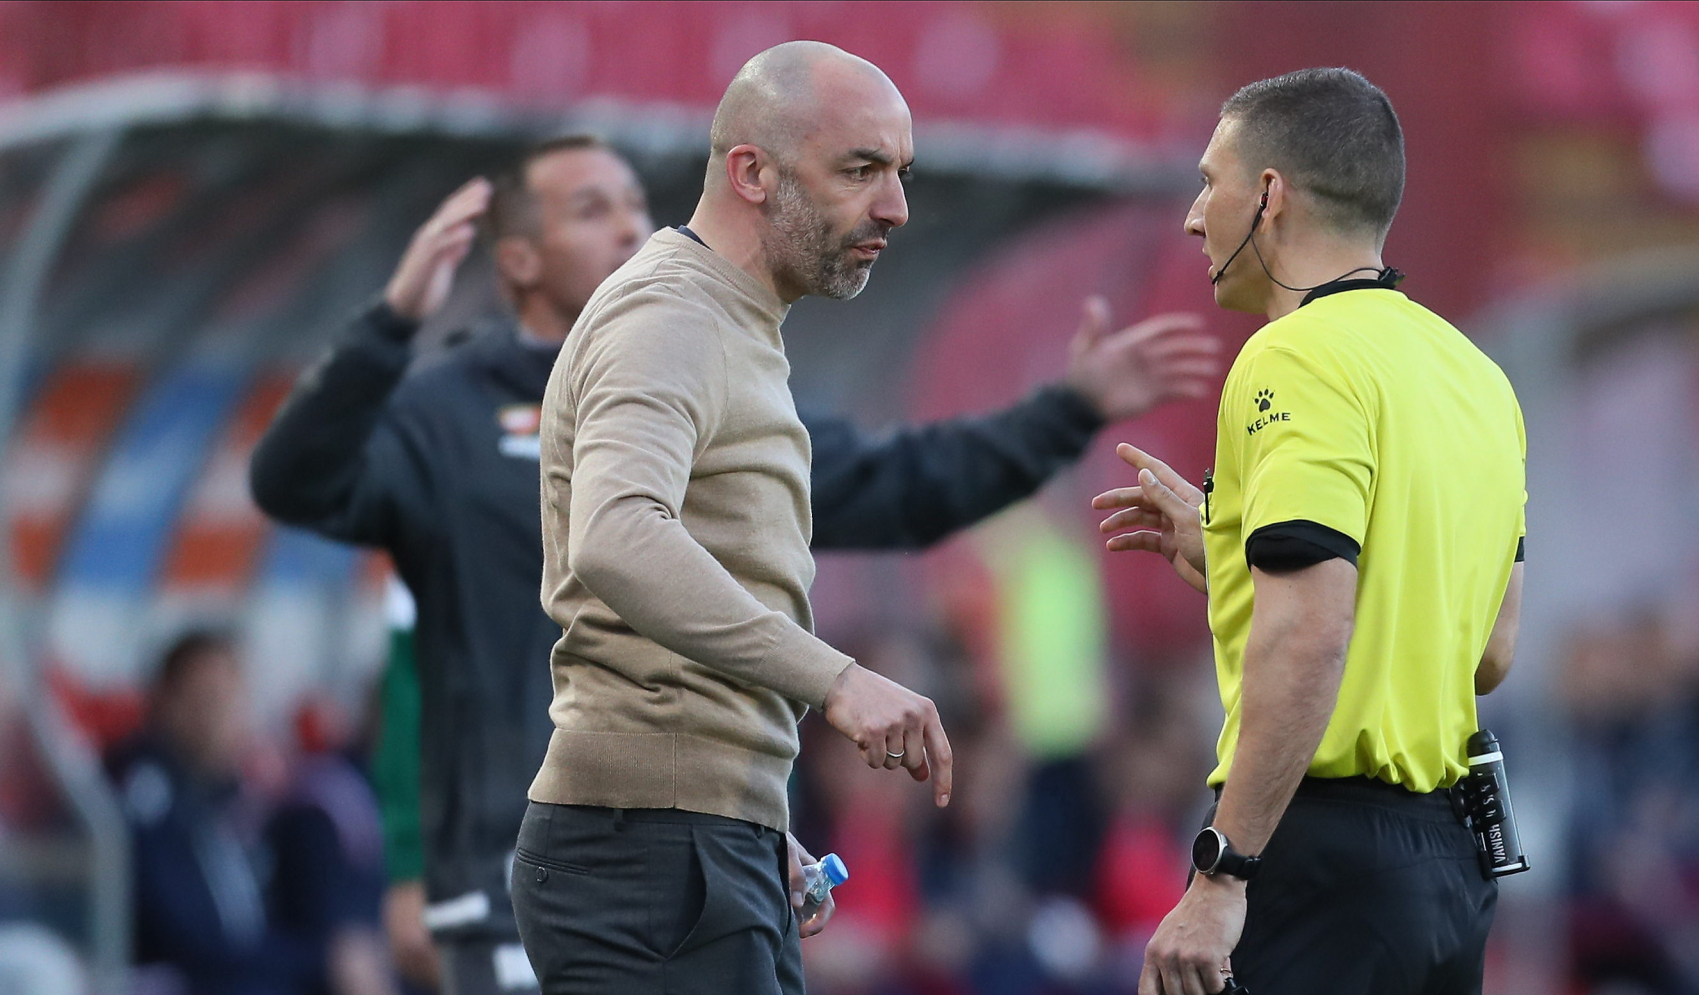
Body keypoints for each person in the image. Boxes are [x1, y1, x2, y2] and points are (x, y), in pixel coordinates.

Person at [251, 115, 1211, 995]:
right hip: (530, 852)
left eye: (637, 201)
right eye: (593, 209)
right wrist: (386, 329)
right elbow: (300, 486)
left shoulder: (724, 373)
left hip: (687, 834)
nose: (631, 225)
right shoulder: (451, 412)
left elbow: (904, 483)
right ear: (517, 260)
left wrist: (1066, 410)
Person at [1096, 68, 1527, 994]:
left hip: (1318, 857)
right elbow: (1487, 651)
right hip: (1446, 873)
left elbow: (1313, 630)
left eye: (1209, 181)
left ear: (1269, 194)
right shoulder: (1479, 378)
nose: (1191, 214)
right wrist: (1229, 565)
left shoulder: (1291, 357)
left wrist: (1222, 871)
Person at [108, 633, 311, 995]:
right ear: (164, 700)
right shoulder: (145, 787)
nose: (216, 716)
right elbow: (185, 933)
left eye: (228, 700)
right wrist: (298, 958)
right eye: (204, 699)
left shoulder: (234, 792)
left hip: (246, 973)